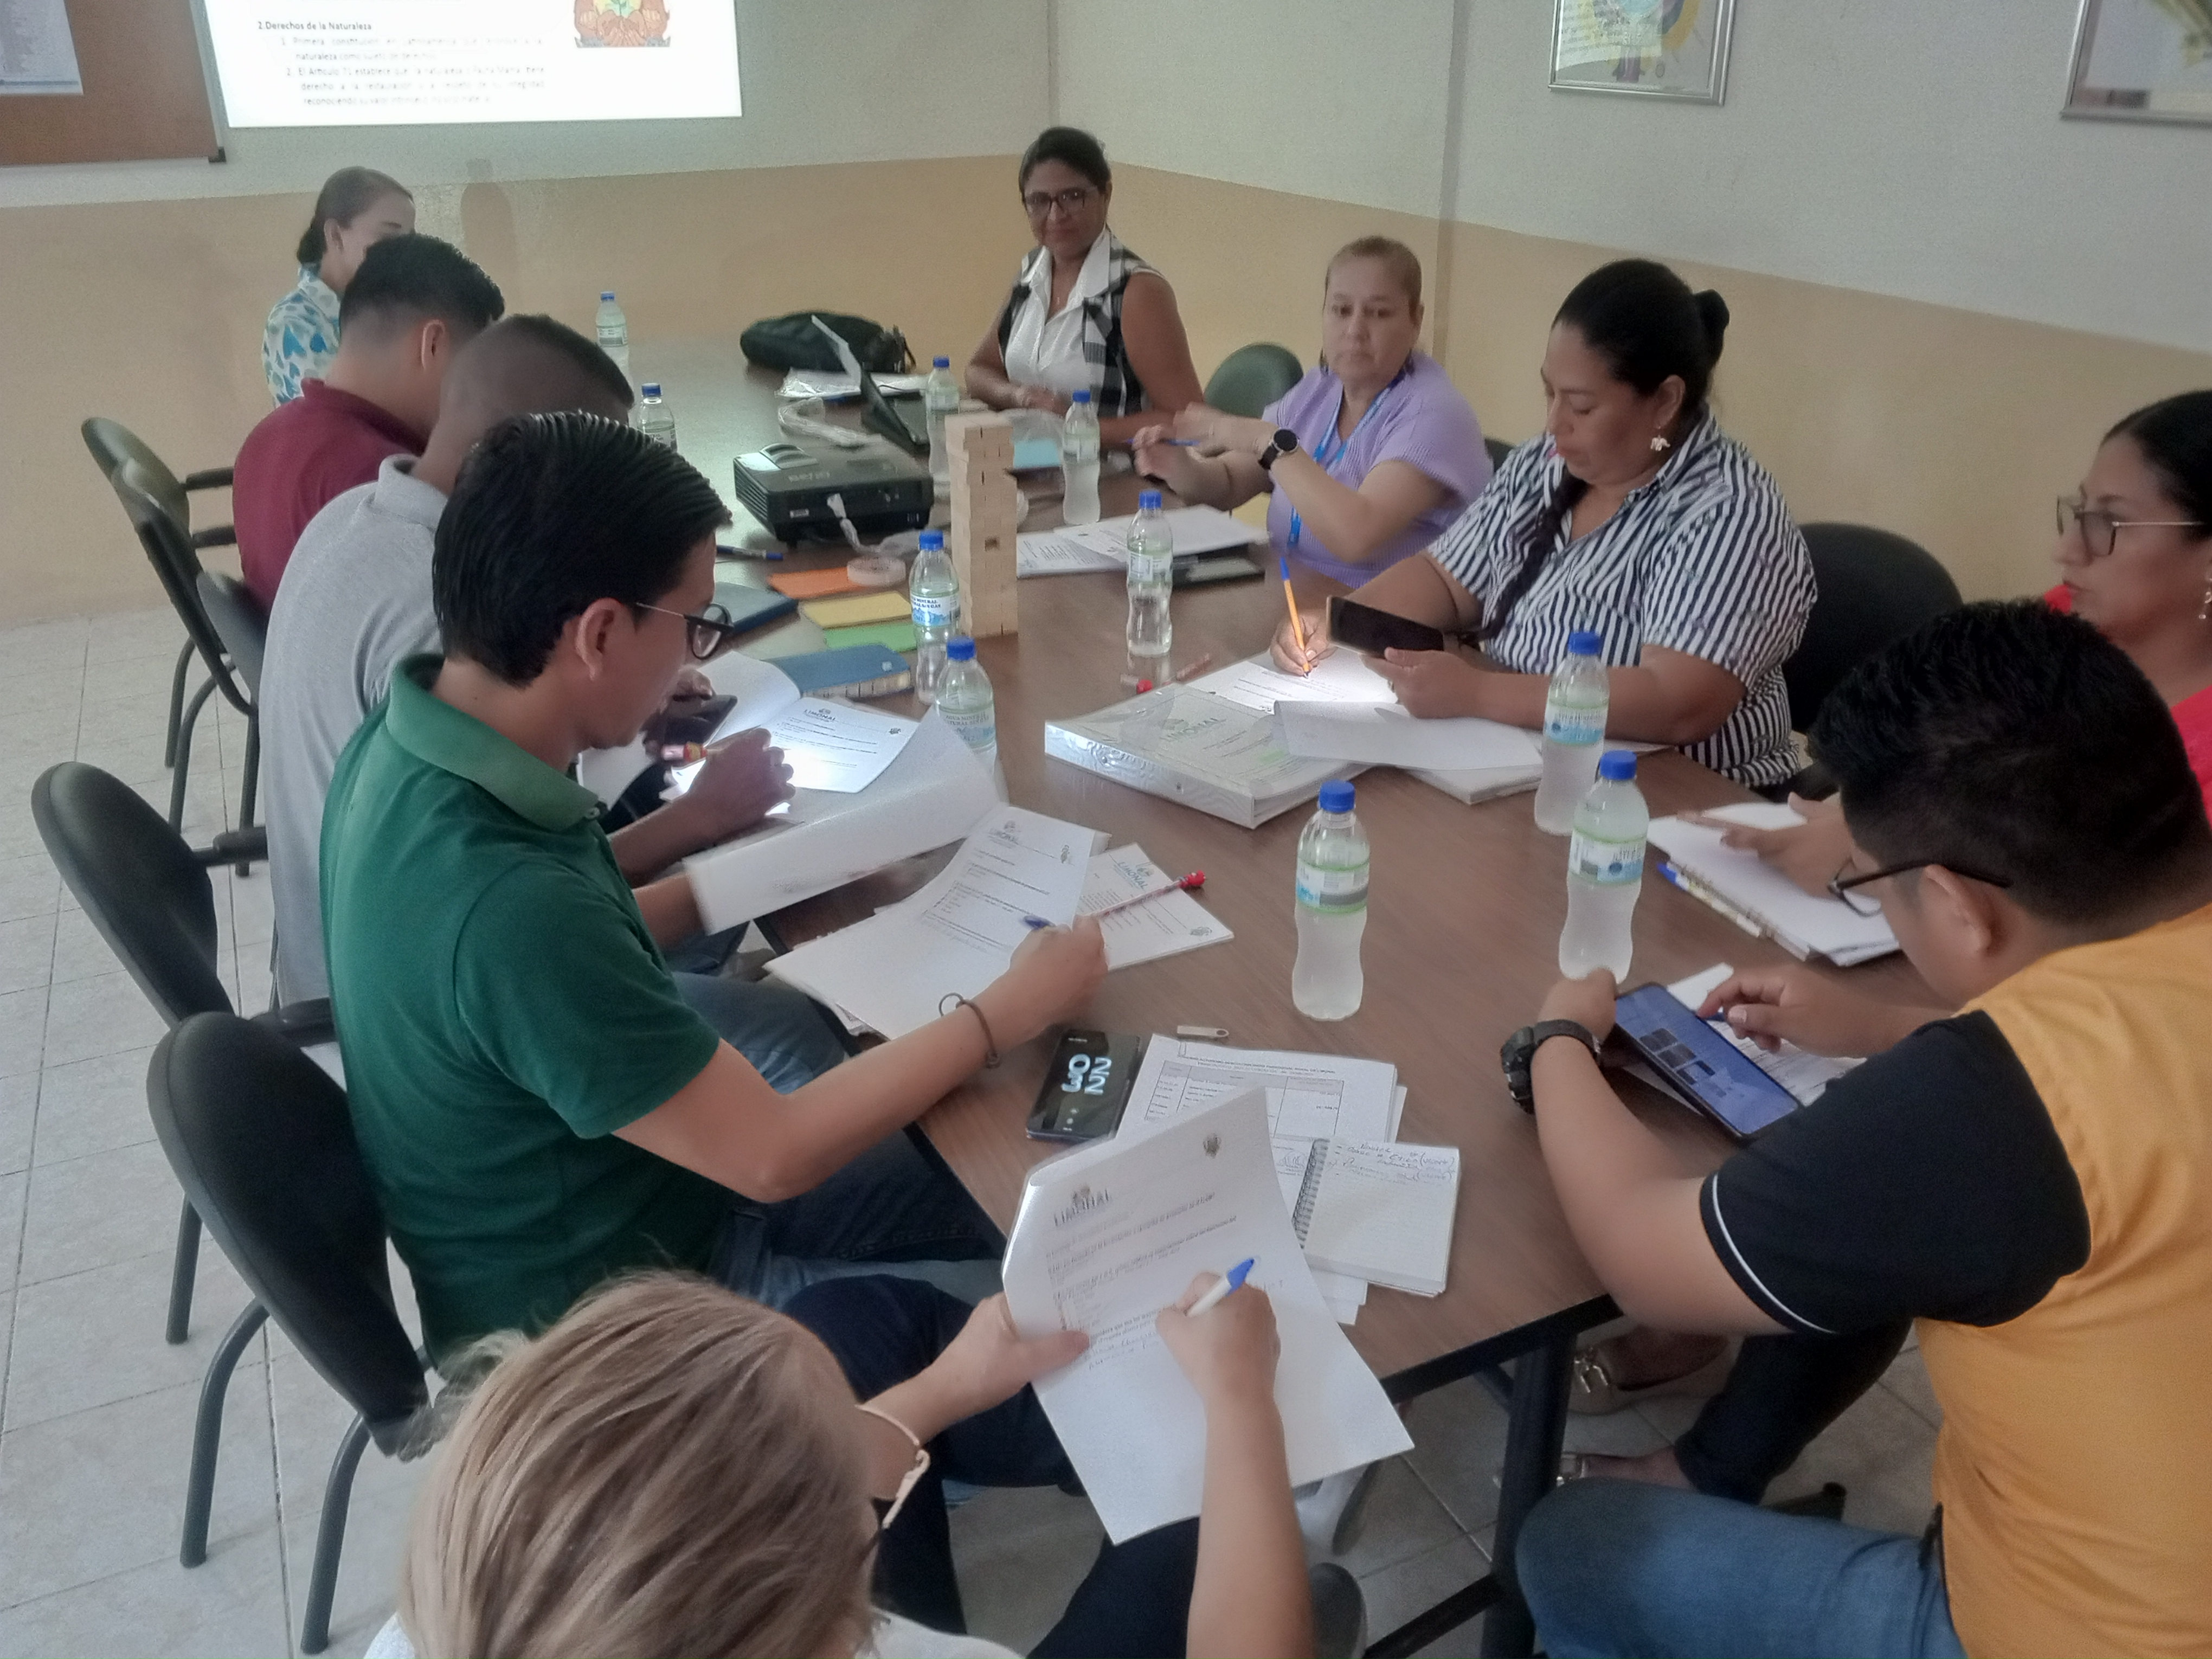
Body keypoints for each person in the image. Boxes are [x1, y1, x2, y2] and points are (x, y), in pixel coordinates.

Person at [320, 411, 1110, 1362]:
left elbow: (576, 936)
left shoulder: (408, 740)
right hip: (612, 1338)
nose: (695, 660)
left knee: (986, 1177)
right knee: (1068, 1294)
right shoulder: (508, 908)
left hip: (639, 1196)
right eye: (692, 626)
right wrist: (1005, 1011)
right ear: (598, 633)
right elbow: (775, 1153)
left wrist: (726, 857)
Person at [1506, 600, 2212, 1659]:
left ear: (1960, 906)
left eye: (1875, 888)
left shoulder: (1988, 1103)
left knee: (1575, 1545)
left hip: (2080, 1634)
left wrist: (1559, 1039)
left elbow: (1651, 1258)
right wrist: (1884, 1027)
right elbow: (2132, 1070)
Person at [262, 315, 795, 1024]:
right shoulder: (437, 615)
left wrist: (628, 671)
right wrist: (703, 817)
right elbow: (531, 906)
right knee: (797, 1024)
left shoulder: (358, 514)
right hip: (406, 1007)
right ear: (523, 465)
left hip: (363, 958)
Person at [371, 1269, 1324, 1659]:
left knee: (846, 1322)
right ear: (847, 1624)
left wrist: (944, 1387)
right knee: (1190, 1528)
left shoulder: (458, 1619)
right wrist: (1241, 1403)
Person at [1270, 259, 1815, 790]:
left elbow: (1676, 704)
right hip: (1522, 761)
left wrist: (1477, 694)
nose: (1553, 425)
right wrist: (1341, 620)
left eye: (1580, 406)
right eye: (1549, 393)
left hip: (1676, 798)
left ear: (1665, 402)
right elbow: (1446, 580)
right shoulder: (1545, 465)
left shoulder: (1727, 512)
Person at [1712, 388, 2212, 896]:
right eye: (2079, 513)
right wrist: (1860, 821)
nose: (2066, 549)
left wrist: (1877, 861)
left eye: (2109, 522)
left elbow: (2105, 906)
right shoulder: (2064, 619)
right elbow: (1939, 754)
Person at [1133, 237, 1491, 587]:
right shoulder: (1320, 388)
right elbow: (1230, 483)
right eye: (1341, 310)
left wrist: (1266, 439)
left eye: (1379, 313)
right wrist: (1182, 468)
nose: (1355, 330)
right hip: (1287, 594)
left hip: (1376, 613)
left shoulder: (1436, 415)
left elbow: (1356, 535)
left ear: (1416, 320)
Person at [233, 233, 503, 613]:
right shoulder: (387, 484)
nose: (480, 386)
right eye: (477, 362)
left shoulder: (269, 434)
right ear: (433, 345)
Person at [964, 127, 1203, 448]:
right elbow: (978, 370)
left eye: (1072, 197)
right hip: (1030, 460)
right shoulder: (1032, 271)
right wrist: (1018, 396)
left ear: (1106, 194)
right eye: (1039, 201)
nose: (1055, 215)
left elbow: (1187, 419)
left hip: (1112, 469)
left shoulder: (1135, 291)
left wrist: (1076, 428)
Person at [263, 166, 415, 405]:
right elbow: (334, 415)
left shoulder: (393, 308)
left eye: (410, 240)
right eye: (388, 237)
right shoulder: (293, 321)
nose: (405, 252)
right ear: (335, 235)